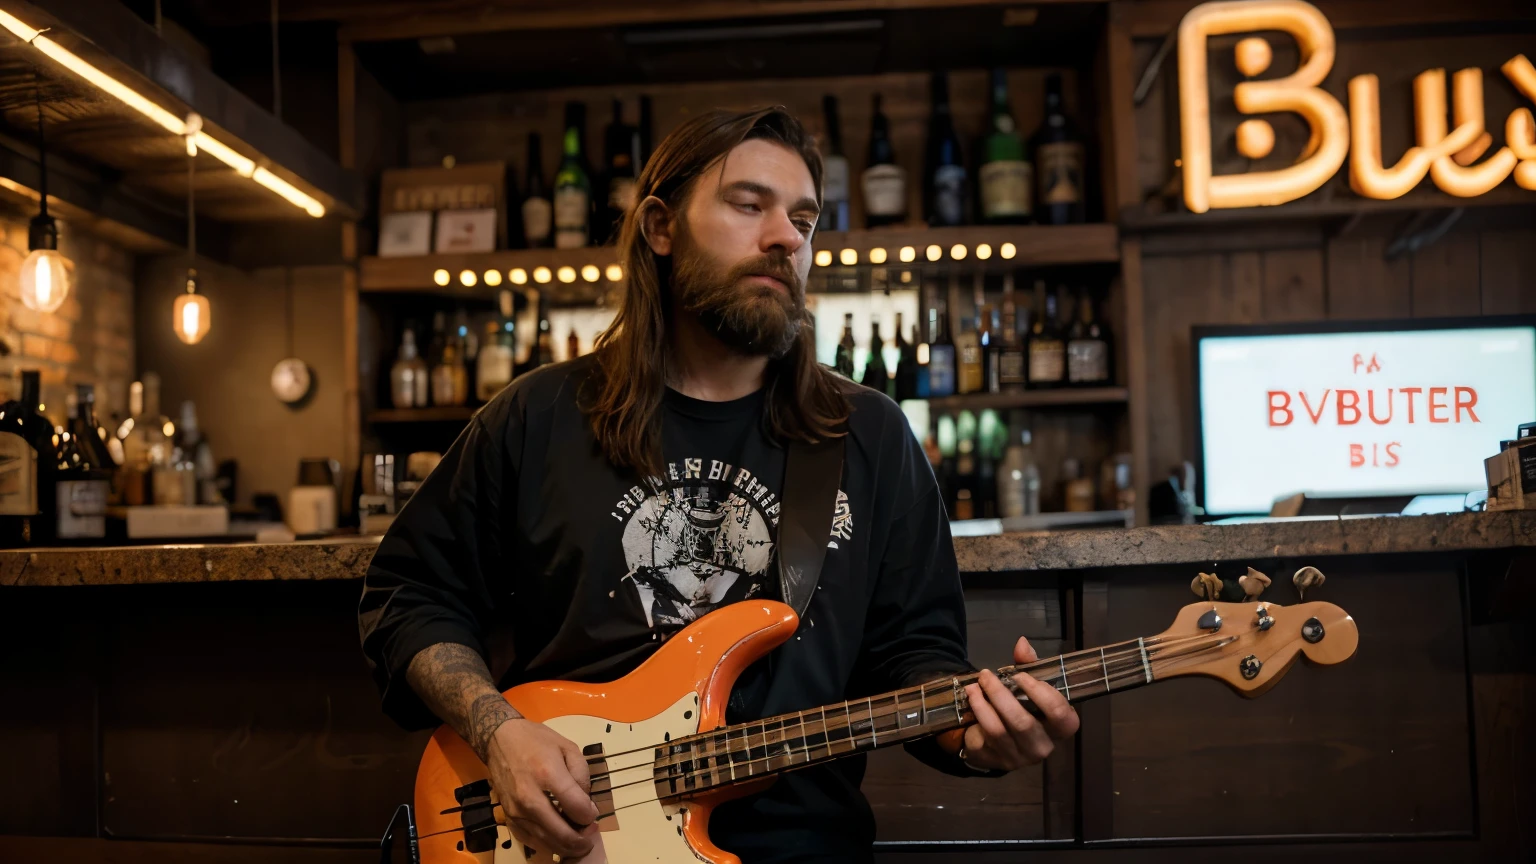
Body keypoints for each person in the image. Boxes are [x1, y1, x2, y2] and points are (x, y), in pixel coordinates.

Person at [357, 106, 1079, 863]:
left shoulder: (868, 434)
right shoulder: (538, 416)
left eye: (804, 218)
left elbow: (915, 654)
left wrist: (975, 736)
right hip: (574, 845)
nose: (786, 237)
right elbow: (409, 595)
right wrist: (499, 733)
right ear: (661, 229)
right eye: (748, 205)